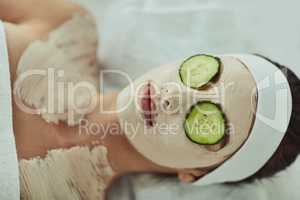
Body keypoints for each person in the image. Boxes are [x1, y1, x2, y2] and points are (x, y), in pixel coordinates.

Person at [0, 0, 299, 199]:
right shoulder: (68, 26)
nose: (176, 95)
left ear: (195, 174)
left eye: (208, 121)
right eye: (202, 73)